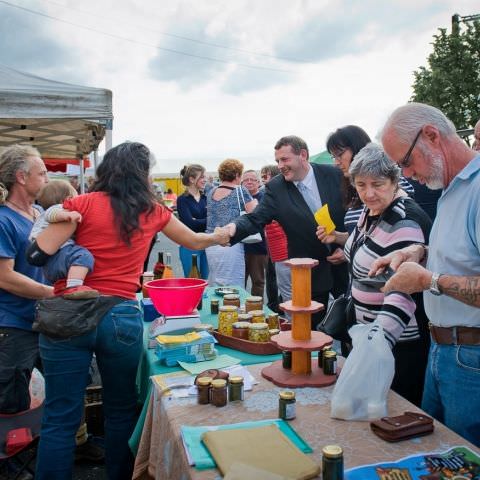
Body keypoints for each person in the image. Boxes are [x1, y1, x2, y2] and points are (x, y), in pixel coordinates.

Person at [32, 142, 229, 479]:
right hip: (120, 314)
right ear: (142, 174)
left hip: (70, 312)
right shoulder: (152, 210)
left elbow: (37, 253)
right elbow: (194, 241)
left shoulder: (80, 204)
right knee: (121, 410)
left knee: (60, 417)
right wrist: (221, 235)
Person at [371, 102, 480, 447]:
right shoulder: (451, 187)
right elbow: (465, 258)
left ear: (431, 136)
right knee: (438, 455)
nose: (405, 174)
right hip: (444, 350)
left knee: (463, 456)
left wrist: (428, 280)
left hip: (470, 359)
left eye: (405, 162)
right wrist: (419, 253)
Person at [319, 143, 432, 405]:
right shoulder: (372, 212)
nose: (368, 193)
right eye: (360, 185)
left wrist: (375, 344)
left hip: (395, 344)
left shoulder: (403, 221)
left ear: (394, 181)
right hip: (369, 334)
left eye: (377, 184)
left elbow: (402, 291)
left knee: (394, 413)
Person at [225, 135, 348, 329]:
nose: (280, 166)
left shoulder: (334, 175)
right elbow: (256, 218)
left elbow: (354, 214)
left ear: (303, 155)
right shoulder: (276, 187)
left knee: (351, 327)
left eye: (284, 159)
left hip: (346, 266)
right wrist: (231, 230)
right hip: (309, 273)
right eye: (277, 161)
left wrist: (347, 247)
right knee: (309, 330)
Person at [0, 145, 53, 415]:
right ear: (21, 177)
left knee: (63, 387)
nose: (47, 179)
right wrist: (52, 292)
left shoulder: (39, 213)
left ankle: (75, 444)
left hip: (47, 319)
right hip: (15, 324)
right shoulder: (3, 220)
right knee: (12, 400)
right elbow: (5, 277)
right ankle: (14, 456)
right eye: (42, 173)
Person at [28, 179, 99, 299]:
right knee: (83, 256)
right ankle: (74, 287)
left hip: (51, 258)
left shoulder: (44, 214)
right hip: (59, 252)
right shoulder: (58, 209)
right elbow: (53, 213)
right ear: (67, 199)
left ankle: (65, 286)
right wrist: (67, 215)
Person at [206, 158, 257, 287]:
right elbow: (254, 214)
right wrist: (256, 203)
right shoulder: (240, 190)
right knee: (233, 285)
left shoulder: (211, 192)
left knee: (215, 281)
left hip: (211, 242)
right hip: (230, 242)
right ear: (236, 175)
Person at [177, 164, 208, 278]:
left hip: (206, 243)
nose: (205, 180)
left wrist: (198, 220)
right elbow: (190, 223)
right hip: (189, 244)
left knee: (205, 281)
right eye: (202, 177)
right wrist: (206, 220)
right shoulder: (182, 200)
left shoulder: (206, 198)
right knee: (193, 282)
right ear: (191, 179)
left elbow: (213, 220)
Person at [241, 170, 268, 297]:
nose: (249, 182)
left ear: (258, 182)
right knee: (240, 282)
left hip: (258, 247)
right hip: (239, 247)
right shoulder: (238, 198)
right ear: (241, 183)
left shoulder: (264, 198)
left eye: (252, 179)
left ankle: (256, 310)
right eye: (246, 180)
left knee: (258, 281)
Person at [260, 164, 283, 312]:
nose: (262, 180)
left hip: (279, 243)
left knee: (280, 277)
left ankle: (279, 304)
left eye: (265, 176)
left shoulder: (273, 193)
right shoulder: (267, 192)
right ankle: (274, 304)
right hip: (270, 241)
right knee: (271, 275)